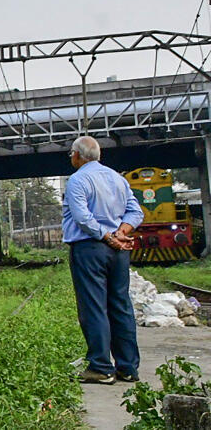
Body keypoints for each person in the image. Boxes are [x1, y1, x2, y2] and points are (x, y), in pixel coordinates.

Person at [62, 135, 144, 384]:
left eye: (71, 154)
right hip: (118, 252)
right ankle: (128, 368)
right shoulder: (118, 179)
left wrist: (108, 237)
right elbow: (136, 212)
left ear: (77, 155)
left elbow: (82, 217)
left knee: (94, 307)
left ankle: (101, 367)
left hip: (90, 249)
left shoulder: (78, 180)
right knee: (120, 304)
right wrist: (120, 233)